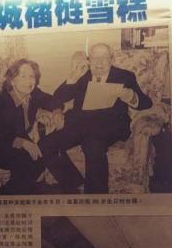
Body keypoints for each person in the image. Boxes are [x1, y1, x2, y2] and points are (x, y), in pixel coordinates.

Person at [42, 44, 152, 193]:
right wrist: (72, 79)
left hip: (111, 126)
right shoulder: (83, 75)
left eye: (104, 58)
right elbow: (57, 98)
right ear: (89, 60)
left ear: (111, 59)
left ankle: (96, 199)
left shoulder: (125, 76)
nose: (99, 62)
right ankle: (74, 184)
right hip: (78, 125)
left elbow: (146, 103)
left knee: (93, 144)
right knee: (45, 144)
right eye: (95, 58)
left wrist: (131, 97)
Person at [0, 59, 83, 195]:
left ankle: (73, 188)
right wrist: (24, 142)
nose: (29, 81)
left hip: (13, 139)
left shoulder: (33, 93)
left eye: (32, 76)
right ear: (12, 81)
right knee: (31, 160)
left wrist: (57, 111)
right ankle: (2, 197)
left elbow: (51, 100)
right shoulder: (2, 102)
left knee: (44, 150)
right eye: (23, 76)